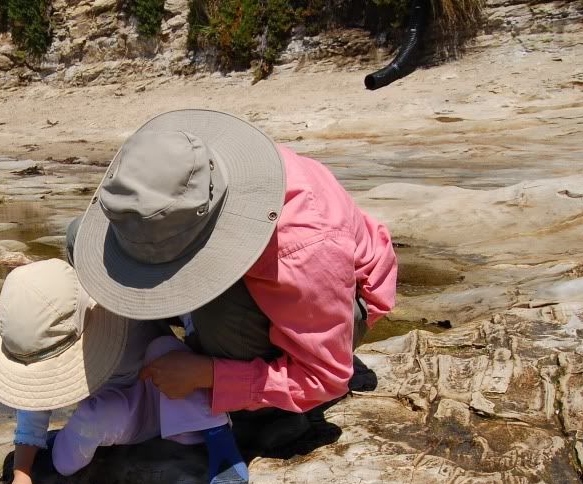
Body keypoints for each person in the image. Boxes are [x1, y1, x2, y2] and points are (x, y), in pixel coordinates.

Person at [71, 109, 398, 453]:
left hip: (333, 307)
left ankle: (265, 415)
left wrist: (206, 374)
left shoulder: (302, 249)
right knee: (82, 239)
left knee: (221, 312)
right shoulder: (189, 165)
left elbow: (325, 378)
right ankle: (154, 355)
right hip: (291, 277)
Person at [0, 258, 250, 484]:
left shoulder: (123, 303)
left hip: (164, 396)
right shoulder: (44, 339)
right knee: (92, 419)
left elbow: (186, 301)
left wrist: (200, 345)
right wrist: (23, 469)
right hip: (117, 413)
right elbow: (34, 398)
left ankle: (220, 442)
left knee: (167, 352)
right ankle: (61, 458)